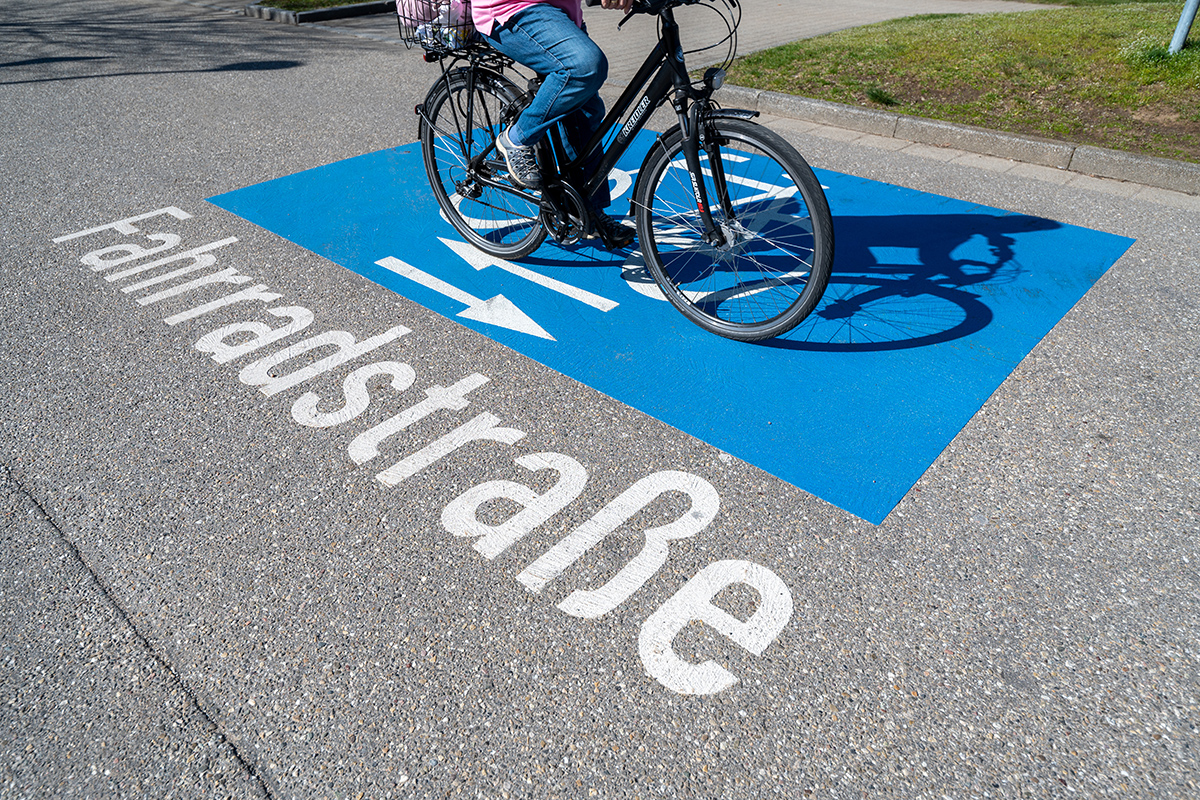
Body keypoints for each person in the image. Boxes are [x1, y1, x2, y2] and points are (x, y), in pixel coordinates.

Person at [471, 0, 637, 249]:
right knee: (584, 66)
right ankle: (516, 138)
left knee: (586, 113)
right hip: (513, 8)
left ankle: (587, 211)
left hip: (561, 12)